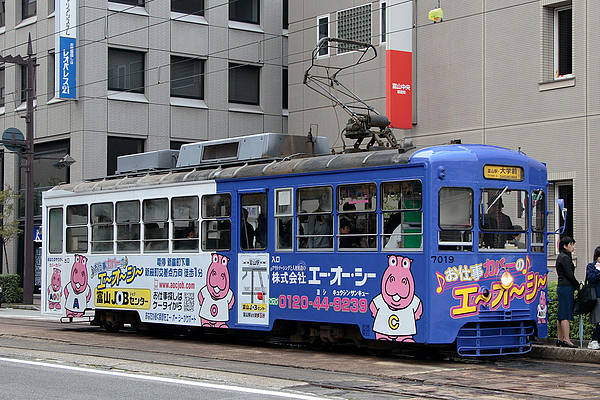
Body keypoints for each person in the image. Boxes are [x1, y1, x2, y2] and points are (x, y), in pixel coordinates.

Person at [555, 236, 578, 348]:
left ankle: (560, 339)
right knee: (565, 314)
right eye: (571, 244)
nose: (573, 247)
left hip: (562, 287)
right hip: (566, 287)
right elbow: (569, 274)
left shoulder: (561, 257)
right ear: (565, 246)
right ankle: (567, 339)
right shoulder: (565, 258)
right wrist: (578, 286)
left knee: (561, 314)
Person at [586, 246, 600, 350]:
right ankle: (594, 340)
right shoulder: (591, 266)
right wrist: (598, 270)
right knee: (599, 321)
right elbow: (591, 278)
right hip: (597, 296)